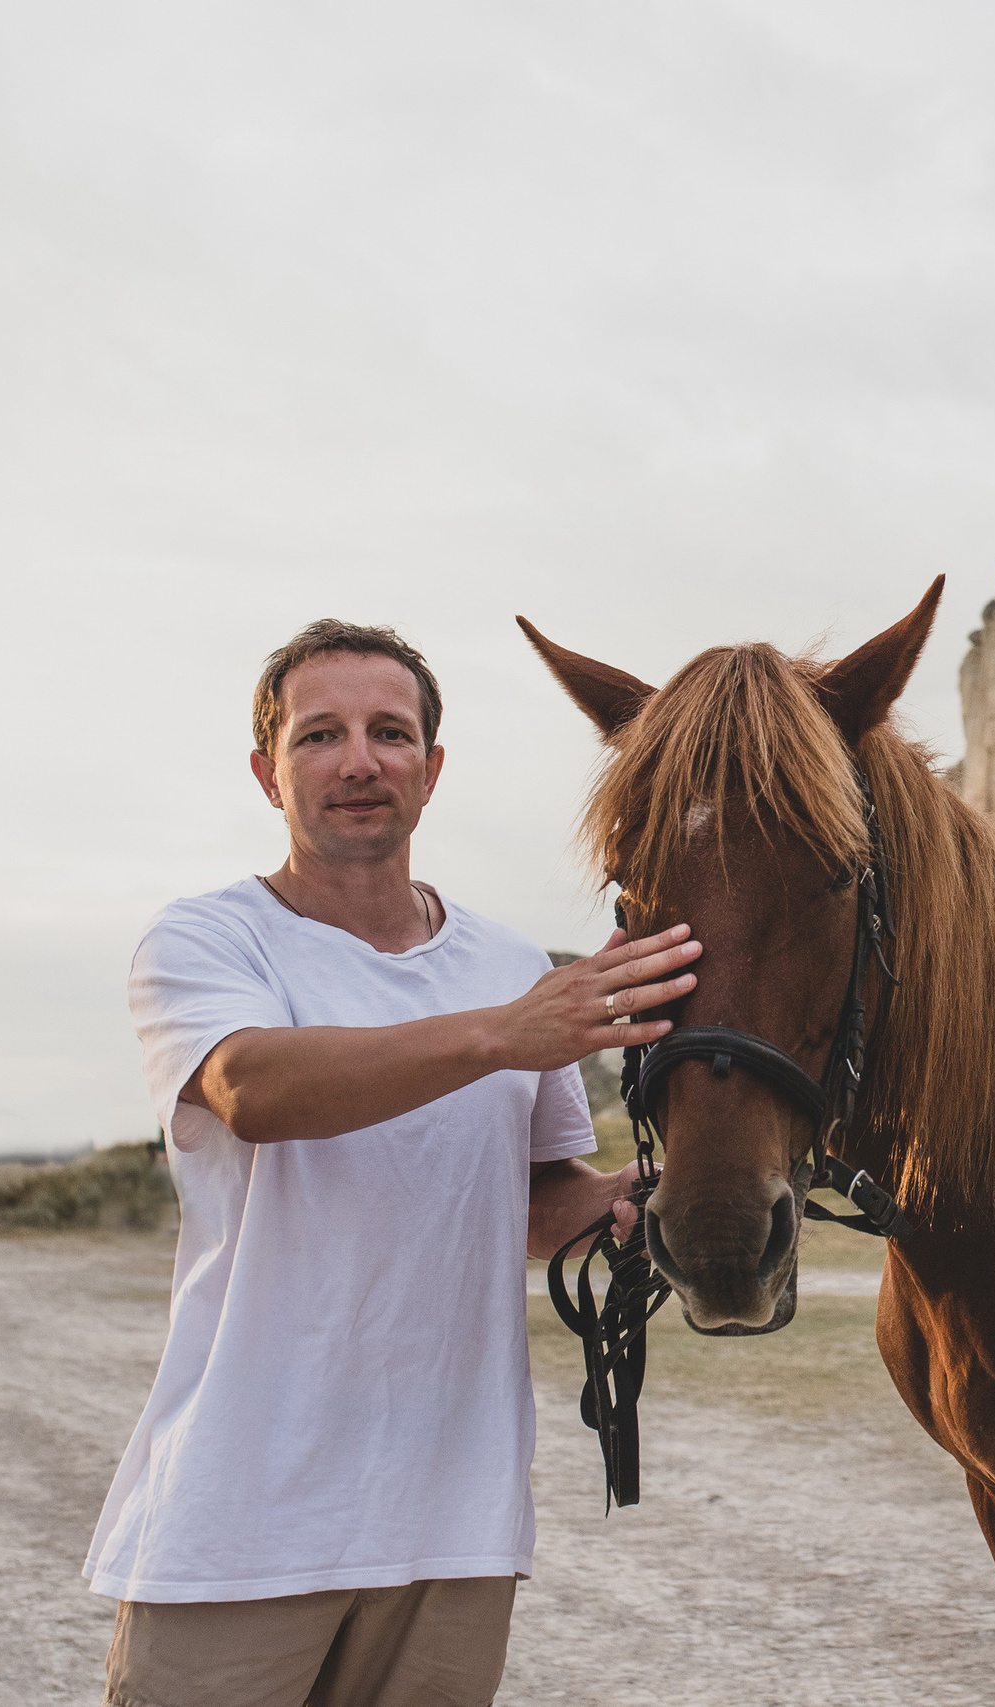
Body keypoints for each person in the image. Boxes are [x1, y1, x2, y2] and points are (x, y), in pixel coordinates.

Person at [87, 619, 701, 1707]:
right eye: (319, 735)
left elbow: (524, 1203)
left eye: (390, 733)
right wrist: (501, 1035)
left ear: (434, 768)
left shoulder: (508, 964)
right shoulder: (208, 942)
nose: (359, 760)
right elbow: (254, 1091)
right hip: (242, 1519)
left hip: (453, 1527)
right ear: (266, 772)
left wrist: (624, 1204)